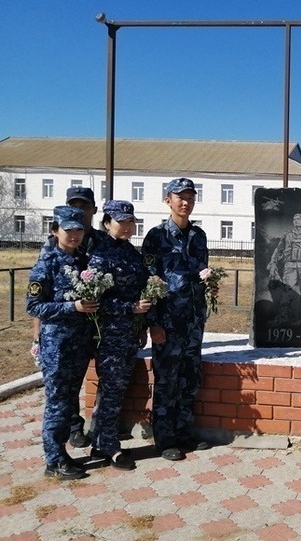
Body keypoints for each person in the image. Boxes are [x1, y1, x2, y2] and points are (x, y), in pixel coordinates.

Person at [26, 206, 99, 479]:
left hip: (78, 344)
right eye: (68, 230)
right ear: (55, 231)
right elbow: (34, 306)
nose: (74, 234)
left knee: (68, 402)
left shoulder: (83, 261)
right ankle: (54, 460)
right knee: (57, 402)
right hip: (57, 346)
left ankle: (62, 454)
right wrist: (73, 307)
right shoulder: (47, 262)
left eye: (79, 229)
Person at [142, 178, 210, 461]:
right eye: (179, 197)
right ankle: (165, 439)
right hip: (167, 323)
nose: (185, 202)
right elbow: (148, 282)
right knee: (167, 381)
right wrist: (153, 323)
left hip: (193, 321)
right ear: (167, 200)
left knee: (189, 379)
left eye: (190, 197)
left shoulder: (199, 236)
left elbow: (201, 272)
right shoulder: (156, 237)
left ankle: (183, 433)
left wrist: (210, 283)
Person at [87, 200, 152, 470]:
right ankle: (110, 448)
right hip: (110, 335)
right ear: (106, 224)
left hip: (128, 333)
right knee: (112, 390)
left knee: (114, 390)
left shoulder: (131, 253)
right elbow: (95, 300)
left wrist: (142, 324)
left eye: (130, 221)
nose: (126, 226)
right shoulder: (100, 255)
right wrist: (131, 308)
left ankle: (99, 441)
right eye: (120, 221)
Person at [267, 213, 301, 324]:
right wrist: (273, 263)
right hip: (290, 266)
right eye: (294, 219)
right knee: (287, 291)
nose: (295, 221)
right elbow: (278, 250)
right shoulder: (287, 235)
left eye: (298, 219)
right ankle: (283, 318)